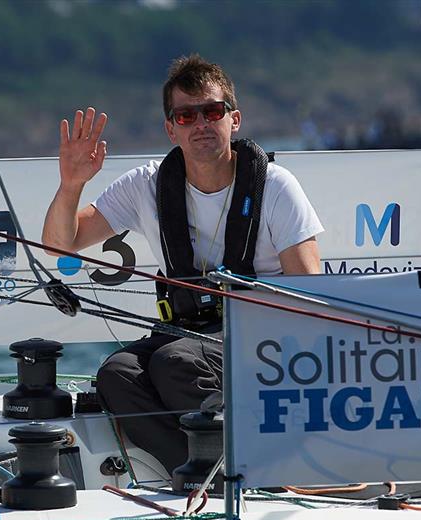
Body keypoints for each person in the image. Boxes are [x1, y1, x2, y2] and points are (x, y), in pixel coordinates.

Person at [42, 54, 323, 475]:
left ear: (234, 120)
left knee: (175, 363)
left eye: (212, 111)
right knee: (117, 374)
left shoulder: (276, 187)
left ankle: (256, 467)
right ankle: (200, 473)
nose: (201, 124)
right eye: (186, 116)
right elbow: (58, 246)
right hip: (187, 334)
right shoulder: (145, 185)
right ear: (171, 128)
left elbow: (309, 293)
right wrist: (72, 183)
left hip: (260, 337)